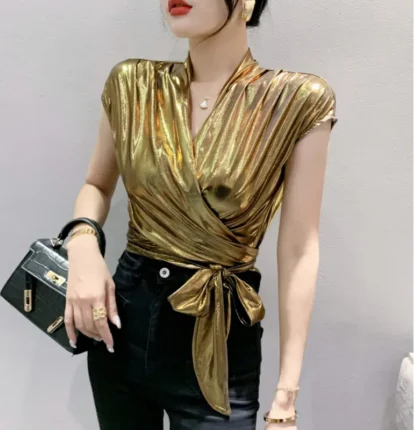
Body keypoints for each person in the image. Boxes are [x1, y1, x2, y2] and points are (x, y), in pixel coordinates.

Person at [64, 0, 338, 428]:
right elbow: (96, 185)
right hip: (123, 326)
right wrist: (83, 248)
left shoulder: (296, 101)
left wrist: (286, 398)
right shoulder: (132, 85)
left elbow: (299, 249)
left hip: (218, 340)